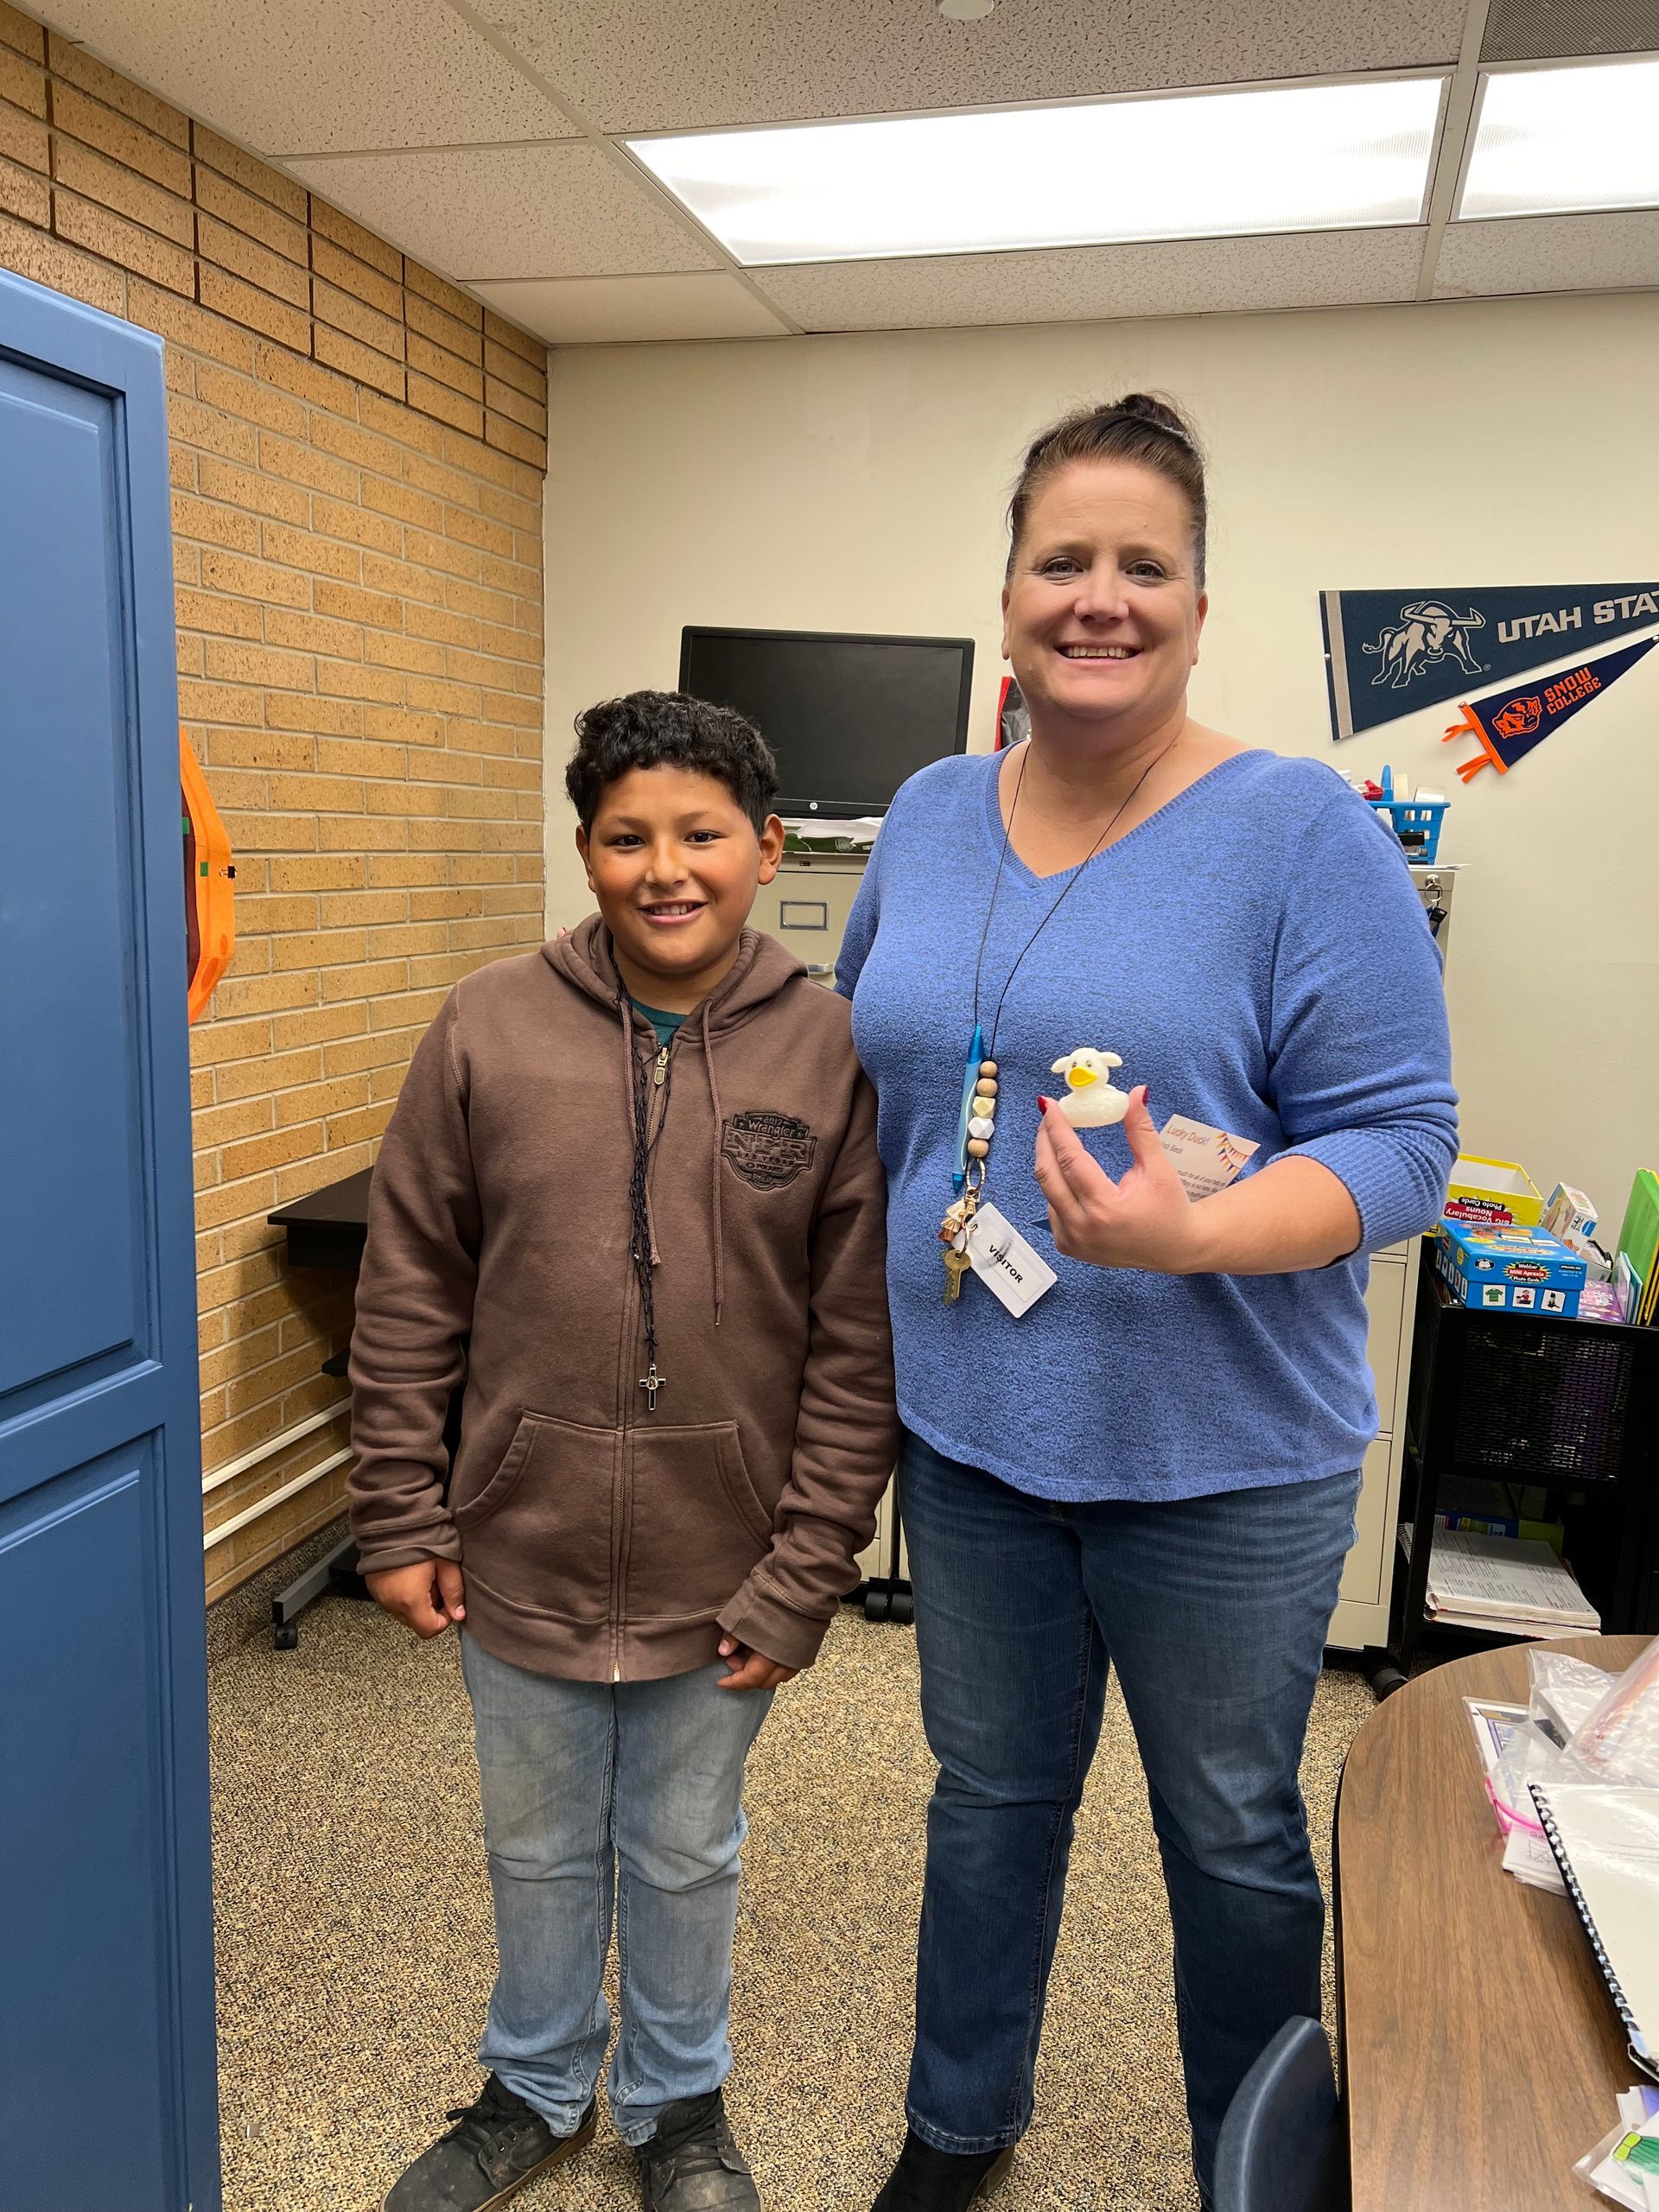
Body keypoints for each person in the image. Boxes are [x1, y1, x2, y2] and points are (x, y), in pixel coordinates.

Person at [836, 394, 1457, 2212]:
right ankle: (956, 2127)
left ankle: (1248, 2167)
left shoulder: (1301, 832)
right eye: (1062, 560)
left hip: (1224, 1465)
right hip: (974, 1438)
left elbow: (1405, 1144)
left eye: (1143, 565)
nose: (1098, 597)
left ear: (1199, 600)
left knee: (1237, 1836)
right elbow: (873, 1055)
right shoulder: (935, 812)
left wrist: (1193, 1231)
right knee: (988, 1803)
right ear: (1009, 588)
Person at [347, 690, 899, 2212]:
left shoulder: (832, 1051)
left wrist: (804, 1573)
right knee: (532, 1843)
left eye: (703, 835)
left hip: (724, 1564)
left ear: (765, 846)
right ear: (584, 851)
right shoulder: (487, 1027)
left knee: (680, 1851)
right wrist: (398, 1511)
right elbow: (409, 1292)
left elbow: (858, 1348)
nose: (668, 868)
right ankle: (532, 2084)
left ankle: (677, 2107)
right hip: (513, 1542)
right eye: (626, 836)